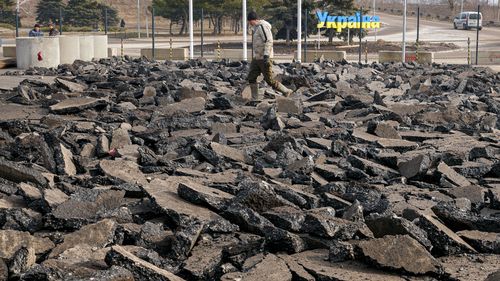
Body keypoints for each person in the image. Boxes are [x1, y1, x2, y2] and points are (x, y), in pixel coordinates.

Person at [247, 11, 292, 100]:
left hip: (264, 57)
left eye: (249, 21)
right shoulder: (255, 28)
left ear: (254, 20)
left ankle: (286, 91)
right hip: (257, 58)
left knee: (269, 80)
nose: (249, 23)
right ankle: (254, 98)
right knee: (251, 77)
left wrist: (266, 55)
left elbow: (269, 40)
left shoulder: (262, 26)